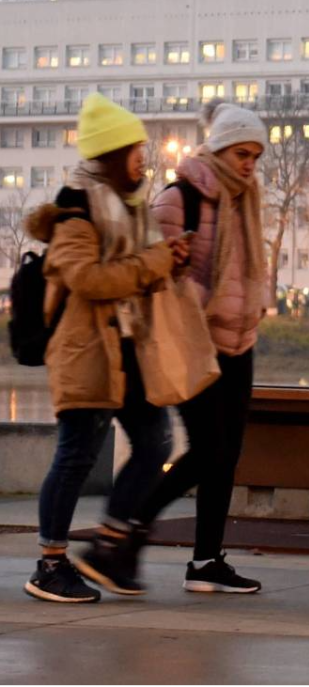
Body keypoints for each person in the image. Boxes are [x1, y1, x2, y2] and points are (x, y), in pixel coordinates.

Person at [23, 94, 190, 603]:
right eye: (136, 148)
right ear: (113, 153)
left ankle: (108, 547)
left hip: (128, 349)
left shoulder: (133, 208)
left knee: (156, 441)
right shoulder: (76, 211)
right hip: (87, 350)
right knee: (76, 456)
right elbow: (90, 280)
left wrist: (169, 261)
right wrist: (155, 262)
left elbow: (135, 273)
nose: (144, 157)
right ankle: (49, 565)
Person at [137, 100, 269, 593]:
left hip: (240, 339)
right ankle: (131, 524)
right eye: (242, 152)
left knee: (227, 454)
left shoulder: (247, 198)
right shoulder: (181, 197)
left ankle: (206, 561)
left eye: (255, 154)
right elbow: (155, 267)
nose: (250, 164)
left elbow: (252, 266)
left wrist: (256, 307)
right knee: (207, 449)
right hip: (196, 340)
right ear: (219, 148)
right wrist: (197, 296)